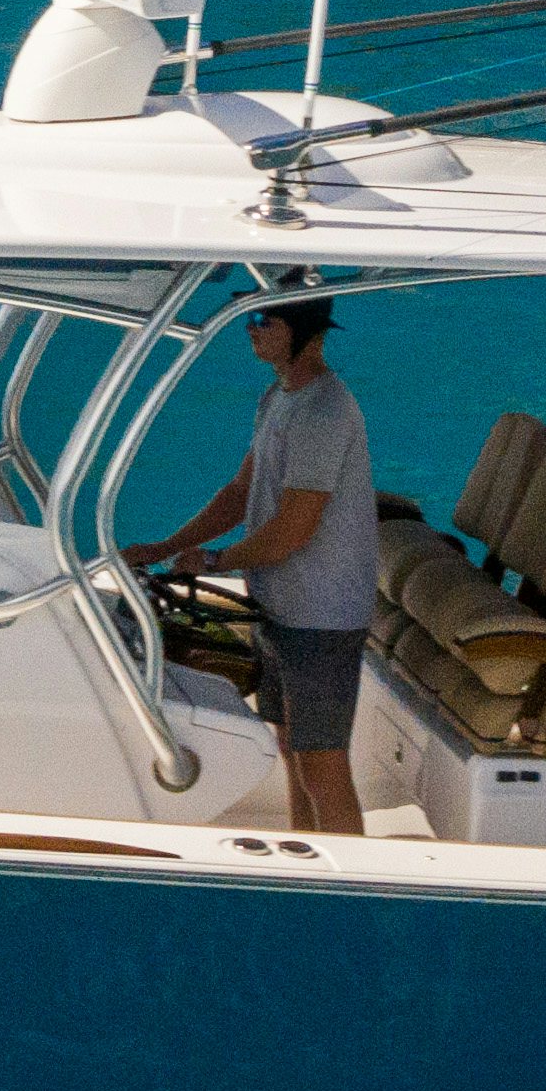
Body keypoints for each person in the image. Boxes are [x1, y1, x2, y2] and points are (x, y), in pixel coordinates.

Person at [119, 294, 377, 834]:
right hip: (279, 606)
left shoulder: (324, 412)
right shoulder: (278, 398)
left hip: (320, 616)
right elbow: (240, 493)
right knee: (292, 750)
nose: (251, 329)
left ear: (304, 331)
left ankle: (352, 875)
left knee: (321, 764)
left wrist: (216, 558)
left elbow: (294, 528)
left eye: (264, 319)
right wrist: (165, 547)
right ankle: (307, 862)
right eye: (249, 319)